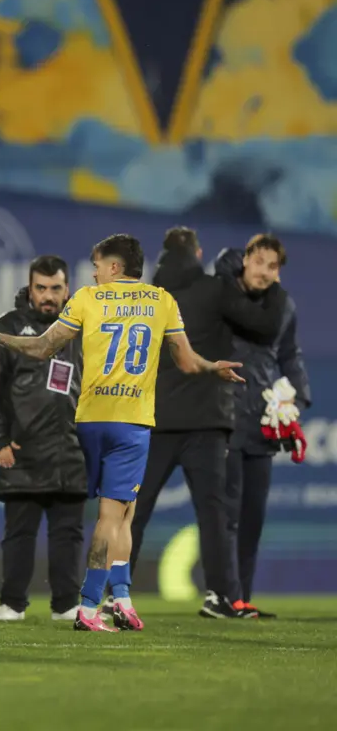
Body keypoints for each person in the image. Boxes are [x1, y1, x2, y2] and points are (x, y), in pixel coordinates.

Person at [0, 234, 243, 633]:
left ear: (115, 267)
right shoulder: (162, 301)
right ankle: (88, 605)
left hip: (88, 420)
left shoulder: (86, 299)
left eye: (97, 265)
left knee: (125, 512)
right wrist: (212, 367)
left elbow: (42, 348)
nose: (94, 272)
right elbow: (187, 362)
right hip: (130, 421)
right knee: (113, 516)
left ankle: (122, 598)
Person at [130, 227, 286, 620]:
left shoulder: (149, 296)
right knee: (214, 514)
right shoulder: (215, 290)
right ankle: (220, 596)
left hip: (154, 418)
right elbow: (264, 326)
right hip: (207, 420)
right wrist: (275, 288)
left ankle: (114, 594)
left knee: (134, 510)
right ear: (198, 253)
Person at [0, 255, 86, 623]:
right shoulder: (6, 329)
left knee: (68, 532)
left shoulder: (82, 328)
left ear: (67, 289)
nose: (48, 296)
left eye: (55, 288)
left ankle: (66, 605)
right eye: (41, 288)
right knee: (19, 533)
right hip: (21, 449)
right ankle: (12, 604)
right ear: (30, 288)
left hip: (72, 449)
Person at [213, 234, 309, 619]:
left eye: (273, 266)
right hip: (224, 416)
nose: (264, 272)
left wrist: (297, 400)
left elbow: (290, 355)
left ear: (279, 272)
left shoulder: (283, 307)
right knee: (228, 515)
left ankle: (242, 599)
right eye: (259, 262)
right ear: (246, 260)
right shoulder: (224, 296)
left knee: (252, 517)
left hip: (263, 423)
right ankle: (223, 596)